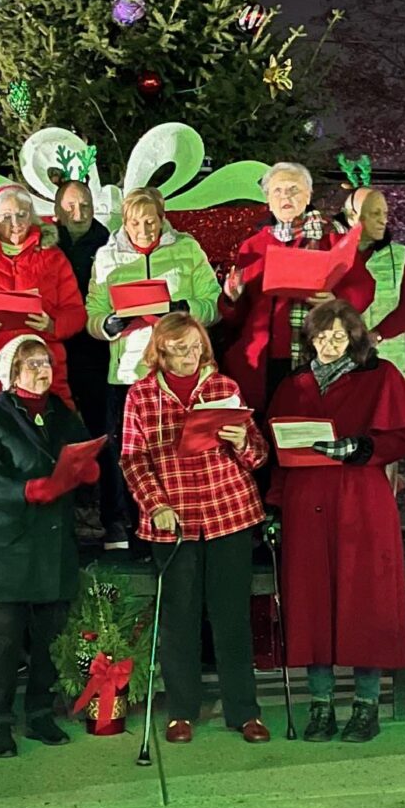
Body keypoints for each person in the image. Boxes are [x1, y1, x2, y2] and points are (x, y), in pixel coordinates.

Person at [268, 301, 405, 743]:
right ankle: (320, 705)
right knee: (312, 601)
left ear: (354, 337)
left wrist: (359, 448)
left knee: (364, 601)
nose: (329, 344)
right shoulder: (294, 384)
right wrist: (275, 506)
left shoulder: (381, 377)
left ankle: (365, 705)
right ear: (309, 339)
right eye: (321, 336)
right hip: (306, 504)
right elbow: (279, 452)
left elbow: (402, 436)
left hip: (361, 501)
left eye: (338, 336)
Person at [118, 314, 270, 744]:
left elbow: (258, 455)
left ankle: (245, 712)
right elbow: (132, 459)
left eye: (196, 347)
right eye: (179, 349)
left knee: (231, 619)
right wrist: (155, 503)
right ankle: (181, 711)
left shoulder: (224, 388)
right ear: (160, 351)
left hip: (229, 513)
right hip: (174, 519)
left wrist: (242, 442)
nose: (190, 356)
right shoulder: (141, 396)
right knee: (178, 620)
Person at [0, 334, 97, 758]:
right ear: (11, 373)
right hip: (8, 545)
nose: (42, 370)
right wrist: (29, 489)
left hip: (53, 543)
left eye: (46, 362)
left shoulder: (62, 411)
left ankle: (40, 711)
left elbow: (78, 451)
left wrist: (88, 469)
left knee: (49, 637)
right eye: (32, 364)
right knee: (3, 642)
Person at [86, 186, 222, 550]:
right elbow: (93, 314)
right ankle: (124, 526)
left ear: (162, 219)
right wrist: (106, 325)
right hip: (129, 371)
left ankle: (180, 525)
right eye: (135, 222)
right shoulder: (107, 256)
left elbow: (213, 304)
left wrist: (180, 306)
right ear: (124, 222)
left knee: (174, 449)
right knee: (125, 452)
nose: (144, 229)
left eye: (150, 221)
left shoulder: (187, 249)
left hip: (178, 370)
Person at [219, 162, 375, 416]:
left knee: (305, 427)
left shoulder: (332, 235)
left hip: (314, 349)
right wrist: (230, 297)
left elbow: (363, 286)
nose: (286, 196)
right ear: (268, 200)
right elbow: (236, 316)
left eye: (293, 189)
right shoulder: (253, 245)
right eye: (277, 191)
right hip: (262, 359)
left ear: (308, 195)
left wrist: (336, 301)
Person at [0, 183, 88, 414]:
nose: (15, 223)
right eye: (6, 216)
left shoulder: (53, 257)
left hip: (43, 365)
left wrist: (53, 325)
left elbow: (76, 312)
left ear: (31, 216)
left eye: (22, 215)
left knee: (53, 433)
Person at [53, 179, 112, 440]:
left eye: (85, 205)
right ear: (57, 210)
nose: (79, 213)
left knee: (100, 427)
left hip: (96, 348)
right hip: (55, 344)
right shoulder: (45, 245)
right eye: (71, 206)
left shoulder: (110, 245)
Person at [340, 187, 405, 374]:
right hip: (341, 354)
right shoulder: (333, 254)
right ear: (352, 216)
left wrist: (378, 334)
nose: (383, 220)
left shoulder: (398, 256)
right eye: (375, 213)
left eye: (385, 213)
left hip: (387, 358)